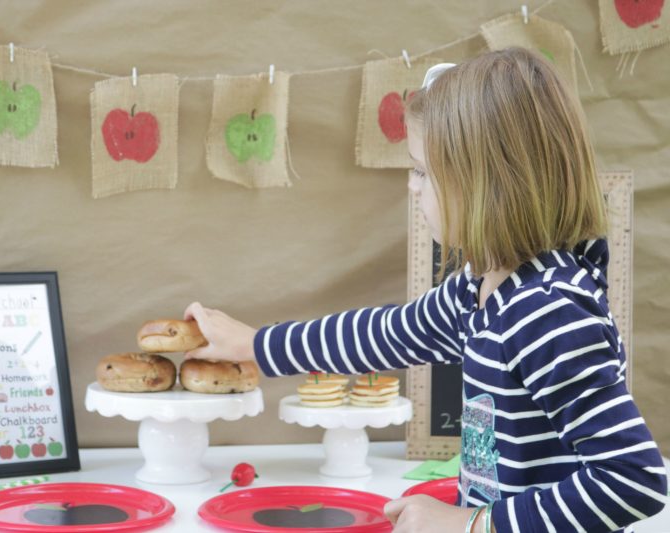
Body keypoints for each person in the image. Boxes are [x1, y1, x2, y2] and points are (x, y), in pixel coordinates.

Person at [183, 47, 667, 533]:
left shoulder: (546, 313)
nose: (413, 187)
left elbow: (633, 479)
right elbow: (388, 334)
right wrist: (252, 345)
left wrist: (471, 524)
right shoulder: (479, 288)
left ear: (487, 184)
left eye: (421, 171)